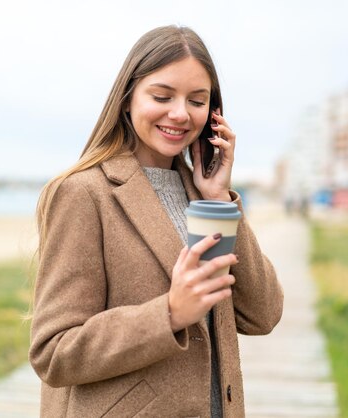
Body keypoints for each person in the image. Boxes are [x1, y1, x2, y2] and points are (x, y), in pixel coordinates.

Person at [29, 25, 284, 418]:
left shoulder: (204, 196)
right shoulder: (83, 193)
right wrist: (168, 314)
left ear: (213, 113)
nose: (180, 114)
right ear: (128, 97)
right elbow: (54, 351)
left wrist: (219, 198)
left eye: (197, 101)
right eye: (162, 96)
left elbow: (262, 314)